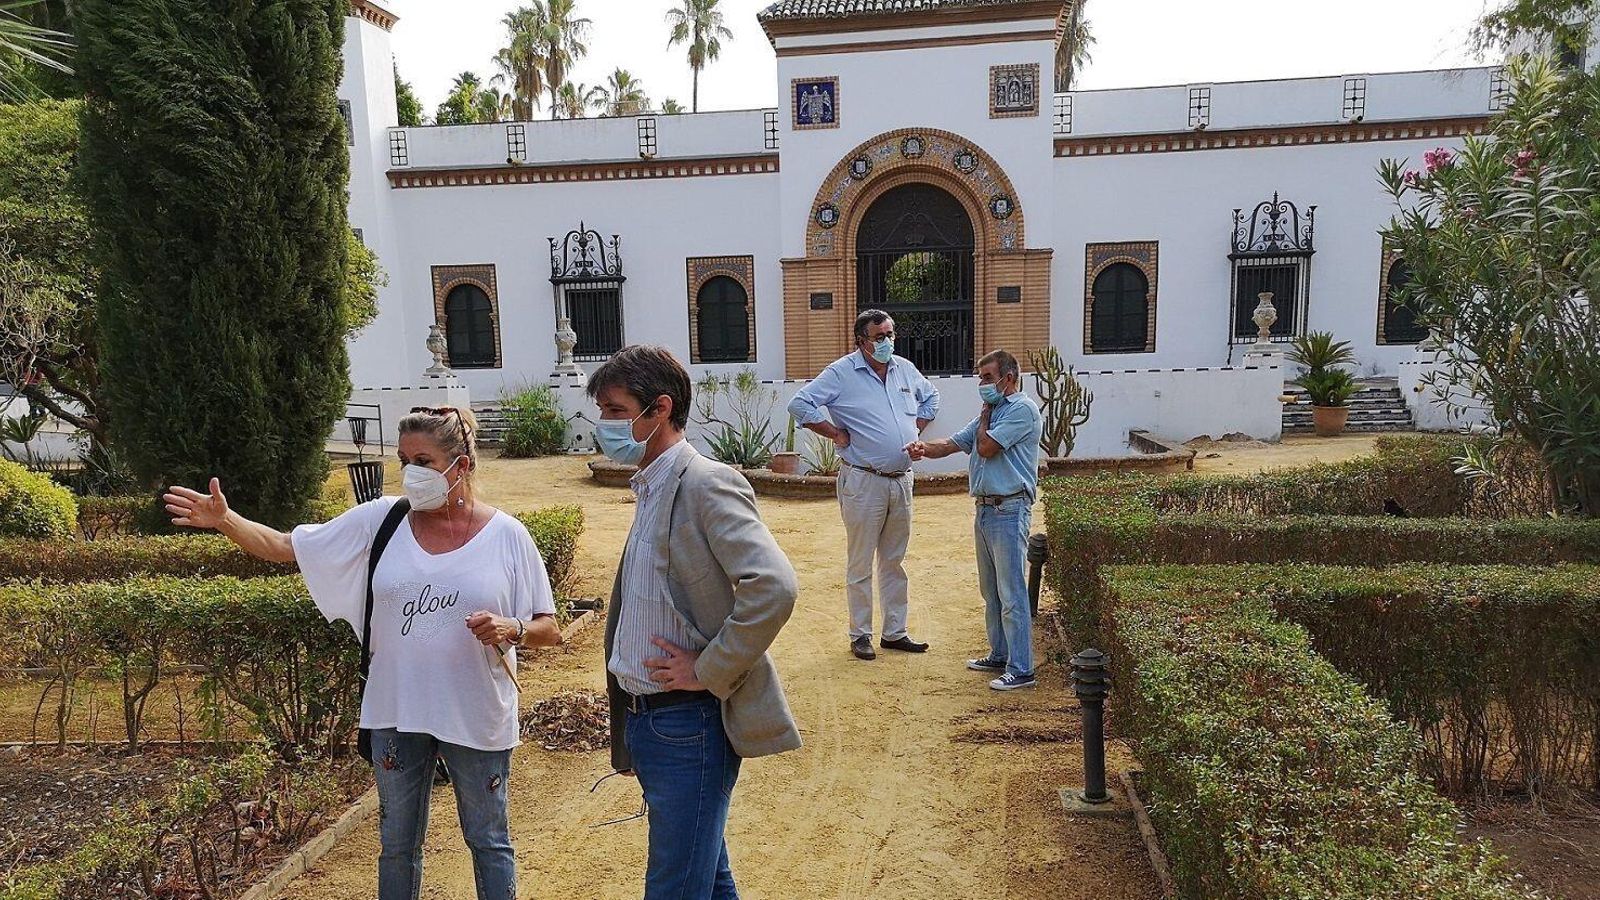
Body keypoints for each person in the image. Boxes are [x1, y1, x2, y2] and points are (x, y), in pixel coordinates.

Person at [162, 406, 561, 900]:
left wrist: (511, 627)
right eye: (404, 460)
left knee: (488, 841)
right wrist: (226, 519)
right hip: (395, 712)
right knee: (397, 846)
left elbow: (549, 628)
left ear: (461, 465)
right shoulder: (382, 521)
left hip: (476, 714)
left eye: (424, 461)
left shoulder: (507, 536)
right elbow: (285, 546)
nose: (411, 473)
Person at [588, 344, 800, 899]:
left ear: (659, 408)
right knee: (706, 878)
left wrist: (709, 668)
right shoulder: (651, 485)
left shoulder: (705, 483)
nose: (604, 424)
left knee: (675, 887)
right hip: (652, 720)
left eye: (615, 410)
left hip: (688, 723)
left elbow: (773, 586)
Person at [787, 308, 940, 661]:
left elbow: (932, 397)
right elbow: (800, 404)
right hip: (863, 479)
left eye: (890, 335)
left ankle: (895, 632)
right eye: (879, 337)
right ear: (861, 341)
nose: (887, 342)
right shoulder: (841, 372)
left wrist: (915, 428)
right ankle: (860, 634)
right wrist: (833, 432)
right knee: (860, 561)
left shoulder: (904, 369)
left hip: (901, 480)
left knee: (894, 560)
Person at [907, 350, 1043, 691]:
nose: (982, 384)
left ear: (1008, 378)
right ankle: (999, 654)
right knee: (991, 591)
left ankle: (1022, 669)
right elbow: (953, 443)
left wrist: (983, 417)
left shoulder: (1021, 410)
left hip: (1009, 509)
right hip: (986, 509)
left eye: (987, 377)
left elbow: (985, 447)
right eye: (980, 377)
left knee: (1012, 592)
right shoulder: (992, 412)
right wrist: (922, 448)